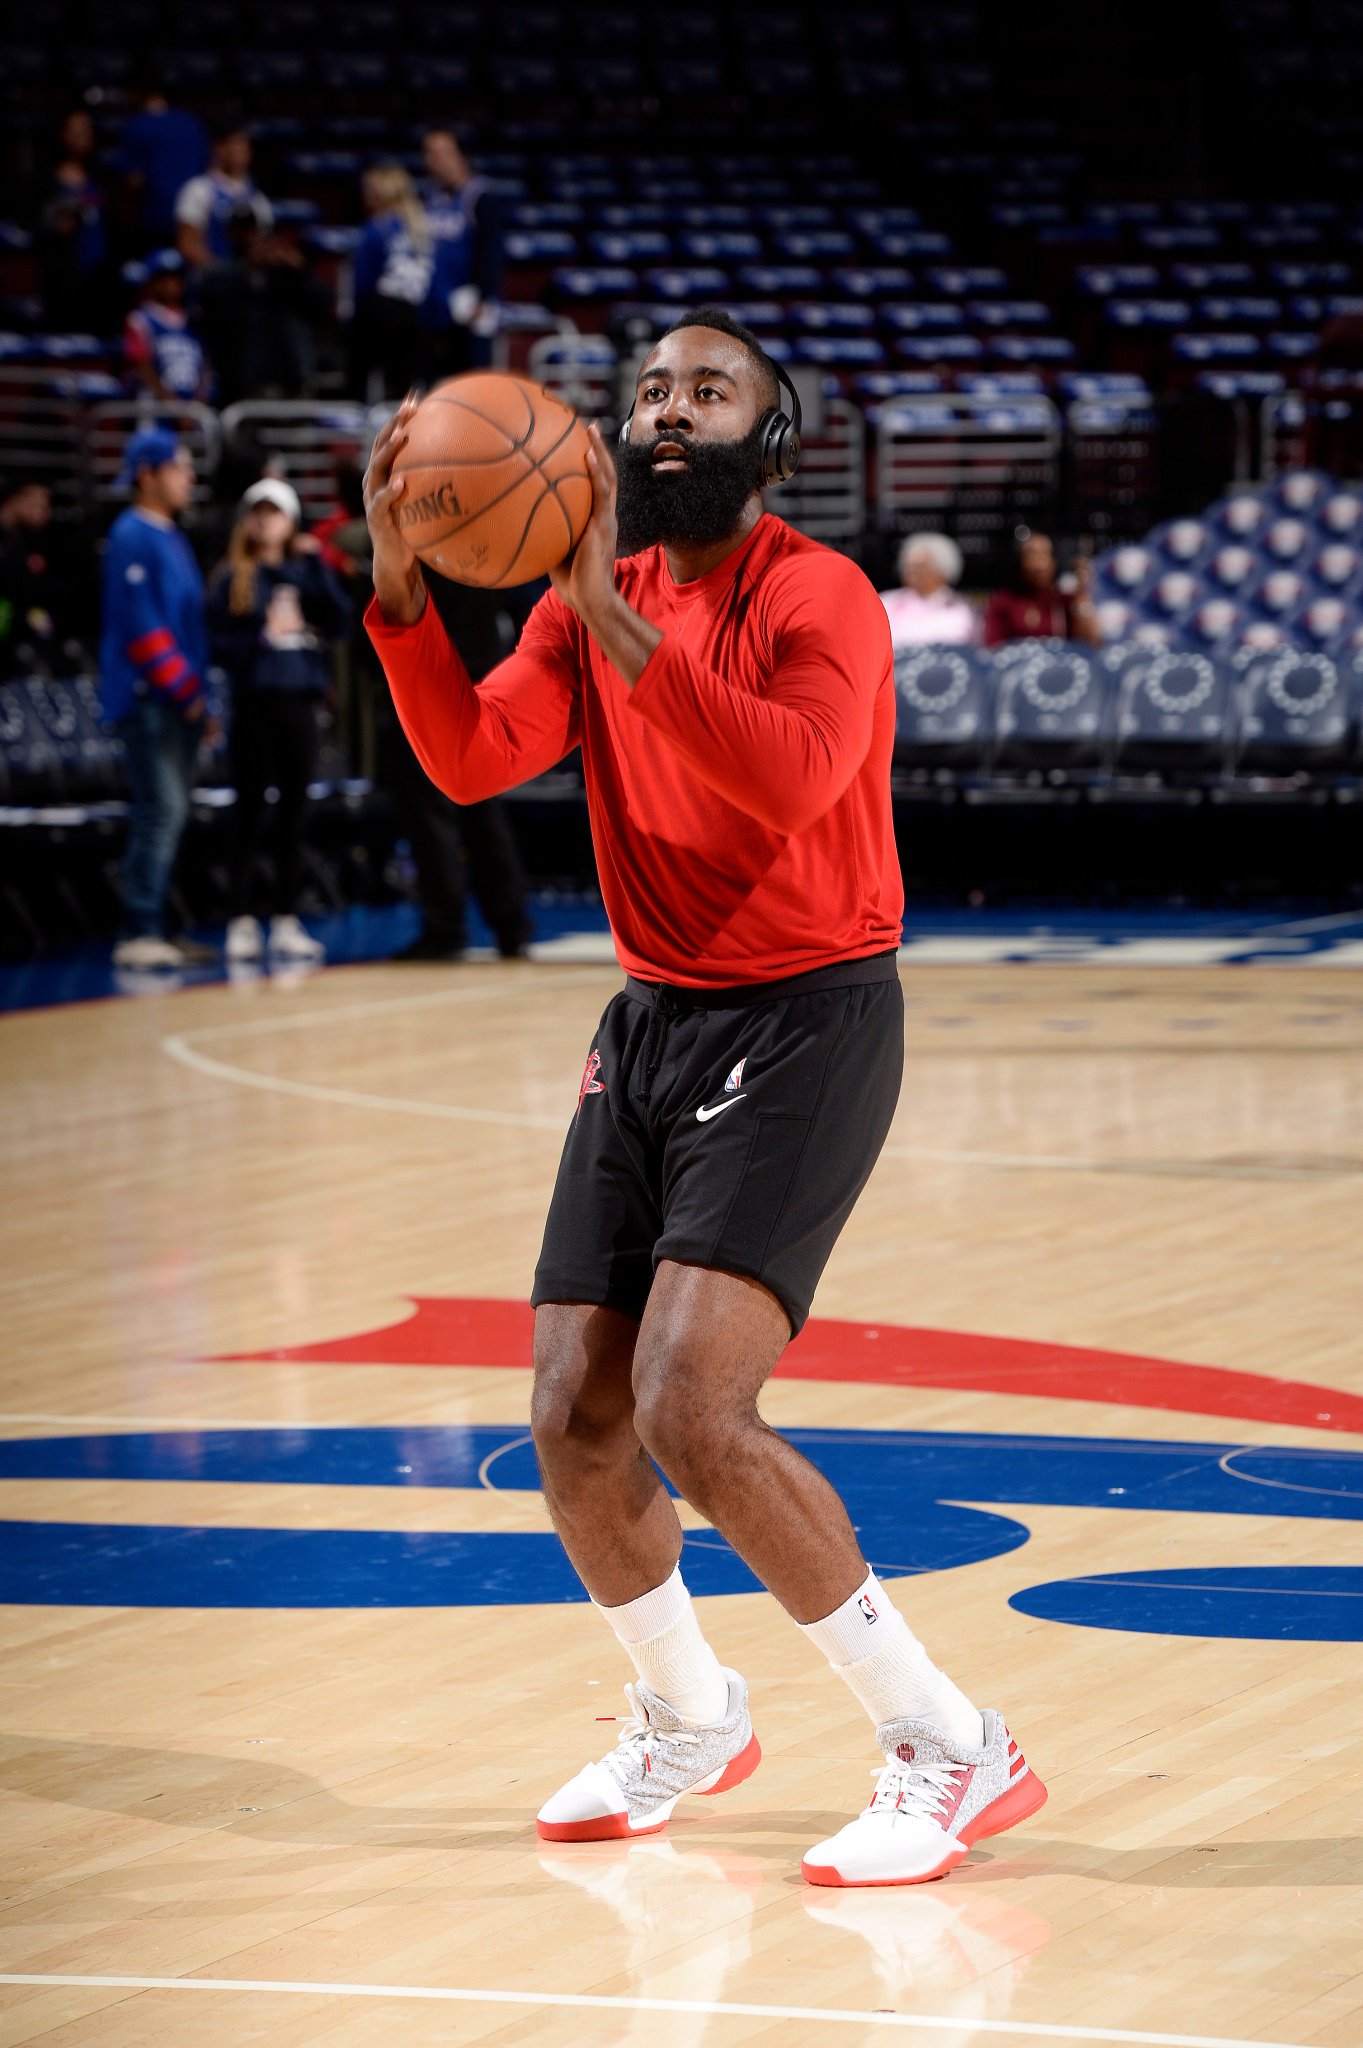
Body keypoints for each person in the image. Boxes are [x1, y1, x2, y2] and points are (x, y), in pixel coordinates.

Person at [363, 305, 1046, 1887]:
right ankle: (688, 1715)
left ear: (768, 435)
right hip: (655, 1019)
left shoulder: (818, 596)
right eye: (650, 388)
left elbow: (790, 776)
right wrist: (403, 593)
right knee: (569, 1416)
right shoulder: (580, 608)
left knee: (687, 1398)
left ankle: (950, 1743)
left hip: (810, 1014)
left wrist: (600, 613)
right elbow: (469, 761)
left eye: (707, 391)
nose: (669, 409)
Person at [207, 478, 351, 965]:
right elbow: (219, 645)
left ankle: (286, 918)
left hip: (300, 704)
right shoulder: (234, 577)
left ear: (291, 521)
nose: (266, 520)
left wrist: (315, 564)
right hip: (255, 704)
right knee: (248, 813)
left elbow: (341, 620)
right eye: (259, 511)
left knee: (294, 814)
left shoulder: (305, 572)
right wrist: (264, 638)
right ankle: (240, 919)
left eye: (276, 512)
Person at [100, 426, 215, 970]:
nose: (188, 477)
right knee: (160, 811)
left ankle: (161, 925)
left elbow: (191, 627)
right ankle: (138, 929)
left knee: (173, 814)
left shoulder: (171, 534)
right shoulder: (131, 535)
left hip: (180, 701)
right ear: (146, 475)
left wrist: (203, 701)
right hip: (152, 700)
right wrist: (187, 690)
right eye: (178, 467)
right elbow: (143, 630)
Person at [419, 127, 502, 376]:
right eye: (430, 154)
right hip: (434, 307)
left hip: (468, 305)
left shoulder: (480, 197)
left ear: (460, 156)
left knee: (470, 381)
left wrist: (483, 297)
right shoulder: (428, 198)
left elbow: (491, 250)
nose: (436, 161)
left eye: (443, 153)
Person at [350, 164, 434, 401]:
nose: (365, 196)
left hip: (381, 311)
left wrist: (355, 319)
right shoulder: (421, 228)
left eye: (370, 191)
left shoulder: (376, 229)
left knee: (367, 380)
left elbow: (363, 282)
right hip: (417, 316)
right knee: (405, 390)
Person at [37, 109, 110, 329]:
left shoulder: (104, 176)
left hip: (100, 277)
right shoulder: (45, 180)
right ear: (62, 134)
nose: (83, 136)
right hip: (63, 276)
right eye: (76, 131)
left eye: (87, 130)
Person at [117, 74, 209, 247]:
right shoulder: (193, 123)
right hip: (194, 217)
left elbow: (132, 182)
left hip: (155, 218)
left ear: (137, 93)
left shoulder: (137, 125)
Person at [174, 125, 273, 271]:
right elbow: (187, 244)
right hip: (209, 277)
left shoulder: (257, 198)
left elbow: (262, 245)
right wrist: (221, 273)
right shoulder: (198, 189)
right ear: (218, 148)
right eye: (234, 144)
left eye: (243, 146)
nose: (239, 150)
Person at [983, 531, 1099, 646]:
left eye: (1045, 555)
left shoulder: (1063, 602)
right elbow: (993, 649)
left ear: (1054, 562)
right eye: (1032, 555)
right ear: (1019, 561)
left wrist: (1082, 593)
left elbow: (1090, 646)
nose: (1039, 565)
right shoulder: (1002, 603)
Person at [123, 249, 209, 402]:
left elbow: (204, 366)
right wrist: (172, 405)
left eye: (175, 278)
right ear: (152, 282)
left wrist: (197, 404)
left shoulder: (194, 319)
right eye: (163, 279)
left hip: (193, 409)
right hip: (155, 408)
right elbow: (142, 367)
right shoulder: (140, 319)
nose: (170, 285)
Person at [880, 533, 977, 649]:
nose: (912, 572)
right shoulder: (886, 601)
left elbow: (952, 639)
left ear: (943, 571)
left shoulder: (958, 608)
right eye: (909, 566)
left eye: (920, 567)